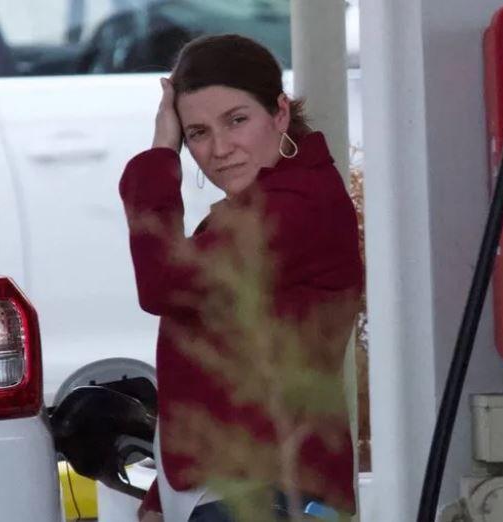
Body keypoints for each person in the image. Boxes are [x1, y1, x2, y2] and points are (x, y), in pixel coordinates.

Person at [119, 34, 363, 522]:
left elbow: (162, 282)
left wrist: (161, 151)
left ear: (280, 113)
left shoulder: (294, 209)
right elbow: (219, 369)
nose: (221, 149)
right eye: (198, 133)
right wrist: (163, 495)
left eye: (237, 120)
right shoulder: (268, 202)